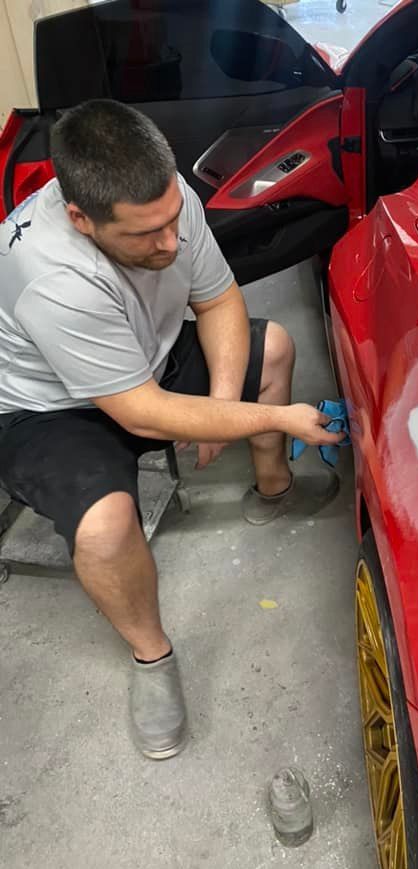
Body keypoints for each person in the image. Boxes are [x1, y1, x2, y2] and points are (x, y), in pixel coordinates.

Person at [0, 100, 343, 760]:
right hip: (48, 407)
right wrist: (268, 417)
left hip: (139, 359)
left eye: (170, 223)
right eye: (144, 236)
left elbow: (216, 297)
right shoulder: (50, 276)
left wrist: (219, 401)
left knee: (271, 352)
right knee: (104, 526)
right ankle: (152, 658)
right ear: (80, 219)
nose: (168, 242)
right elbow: (138, 412)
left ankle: (273, 491)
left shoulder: (165, 199)